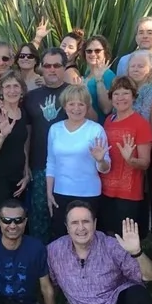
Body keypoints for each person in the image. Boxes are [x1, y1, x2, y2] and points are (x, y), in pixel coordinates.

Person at [46, 84, 110, 240]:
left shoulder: (95, 130)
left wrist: (100, 160)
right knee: (61, 237)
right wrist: (49, 192)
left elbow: (105, 168)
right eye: (71, 104)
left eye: (81, 104)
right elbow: (51, 162)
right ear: (65, 106)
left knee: (88, 238)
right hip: (60, 193)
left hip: (88, 193)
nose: (76, 108)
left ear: (87, 107)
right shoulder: (55, 129)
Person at [23, 48, 69, 243]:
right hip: (39, 167)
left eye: (57, 65)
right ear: (41, 68)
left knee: (67, 219)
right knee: (39, 219)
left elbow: (90, 121)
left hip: (69, 168)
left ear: (64, 67)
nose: (52, 70)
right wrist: (25, 164)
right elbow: (26, 134)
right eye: (47, 65)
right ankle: (41, 267)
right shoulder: (31, 97)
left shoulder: (73, 93)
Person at [99, 77, 152, 238]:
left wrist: (130, 160)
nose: (120, 98)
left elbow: (145, 163)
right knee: (106, 238)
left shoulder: (141, 124)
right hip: (104, 190)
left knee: (125, 240)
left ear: (134, 96)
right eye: (116, 94)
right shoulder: (108, 121)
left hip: (128, 195)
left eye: (125, 93)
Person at [0, 71, 30, 233]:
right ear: (1, 91)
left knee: (18, 224)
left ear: (22, 90)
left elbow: (23, 146)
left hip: (18, 180)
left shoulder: (22, 113)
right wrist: (3, 135)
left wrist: (26, 173)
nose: (12, 91)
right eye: (8, 86)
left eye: (16, 86)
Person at [116, 17, 152, 84]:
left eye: (149, 33)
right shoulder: (124, 61)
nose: (145, 36)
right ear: (136, 37)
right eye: (141, 33)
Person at [83, 35, 116, 123]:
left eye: (97, 51)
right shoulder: (86, 74)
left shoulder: (108, 75)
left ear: (105, 52)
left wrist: (99, 81)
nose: (93, 54)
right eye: (89, 51)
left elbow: (106, 109)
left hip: (100, 126)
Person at [126, 50, 152, 120]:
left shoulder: (151, 90)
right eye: (132, 66)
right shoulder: (124, 88)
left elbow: (145, 118)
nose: (135, 69)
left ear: (151, 70)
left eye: (140, 66)